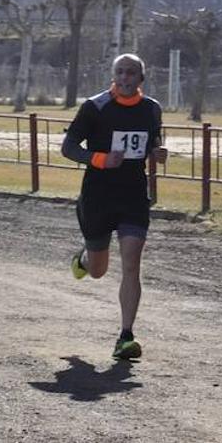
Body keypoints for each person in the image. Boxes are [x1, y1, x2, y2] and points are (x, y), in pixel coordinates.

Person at [62, 53, 167, 361]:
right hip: (98, 196)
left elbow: (150, 142)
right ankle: (84, 258)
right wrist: (100, 159)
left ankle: (125, 336)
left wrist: (157, 152)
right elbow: (68, 148)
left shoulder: (152, 109)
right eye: (119, 72)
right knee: (98, 270)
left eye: (131, 73)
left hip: (133, 195)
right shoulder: (95, 108)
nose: (124, 78)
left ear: (141, 78)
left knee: (132, 261)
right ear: (113, 76)